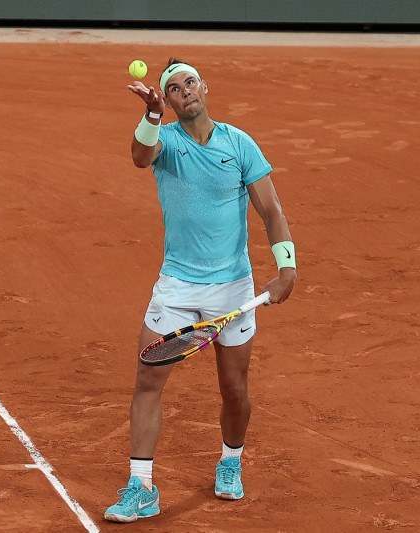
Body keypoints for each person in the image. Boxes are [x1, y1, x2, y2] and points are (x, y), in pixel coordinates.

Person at [104, 58, 296, 523]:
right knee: (148, 378)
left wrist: (286, 267)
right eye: (173, 88)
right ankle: (141, 486)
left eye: (190, 82)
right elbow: (138, 156)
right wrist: (150, 116)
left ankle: (230, 461)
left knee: (234, 388)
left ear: (204, 87)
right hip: (177, 287)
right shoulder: (164, 141)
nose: (184, 91)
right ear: (168, 102)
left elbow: (271, 210)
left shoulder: (239, 143)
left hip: (234, 289)